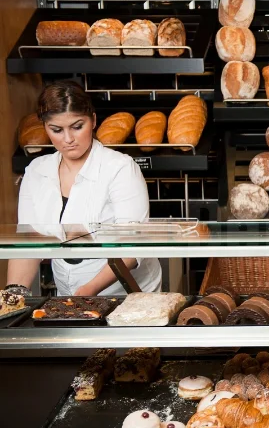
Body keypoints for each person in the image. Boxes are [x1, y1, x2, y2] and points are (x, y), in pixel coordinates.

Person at [6, 81, 161, 296]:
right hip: (69, 292)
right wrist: (13, 294)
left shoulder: (120, 168)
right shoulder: (36, 171)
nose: (68, 139)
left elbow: (132, 248)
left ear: (94, 120)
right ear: (45, 128)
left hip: (125, 294)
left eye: (77, 127)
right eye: (57, 130)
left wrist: (87, 291)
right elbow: (29, 243)